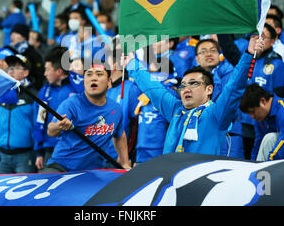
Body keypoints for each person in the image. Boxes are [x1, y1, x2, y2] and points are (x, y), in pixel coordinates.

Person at [124, 35, 264, 156]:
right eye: (183, 85)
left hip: (203, 182)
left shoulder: (217, 113)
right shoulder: (175, 110)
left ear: (209, 90)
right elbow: (152, 88)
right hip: (172, 180)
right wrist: (132, 64)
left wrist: (248, 54)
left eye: (193, 83)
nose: (186, 89)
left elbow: (234, 87)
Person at [43, 62, 130, 172]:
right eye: (89, 75)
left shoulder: (116, 109)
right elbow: (51, 131)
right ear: (84, 82)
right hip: (61, 167)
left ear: (109, 82)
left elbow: (120, 135)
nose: (93, 78)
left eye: (99, 74)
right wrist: (59, 126)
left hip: (93, 172)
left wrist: (125, 163)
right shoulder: (71, 104)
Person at [32, 46, 84, 171]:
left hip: (77, 152)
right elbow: (39, 121)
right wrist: (39, 152)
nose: (44, 74)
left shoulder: (81, 87)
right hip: (50, 153)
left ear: (59, 71)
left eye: (47, 70)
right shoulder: (44, 93)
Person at [0, 54, 38, 174]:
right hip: (1, 155)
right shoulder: (0, 94)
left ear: (26, 73)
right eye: (9, 67)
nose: (10, 71)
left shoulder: (33, 96)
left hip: (25, 155)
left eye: (15, 67)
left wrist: (36, 153)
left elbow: (36, 126)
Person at [239, 84, 284, 161]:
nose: (252, 116)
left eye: (252, 112)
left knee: (270, 138)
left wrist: (269, 165)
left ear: (263, 101)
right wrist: (252, 165)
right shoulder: (261, 118)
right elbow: (258, 145)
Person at [134, 57, 178, 165]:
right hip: (141, 152)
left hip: (161, 153)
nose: (149, 77)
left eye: (155, 73)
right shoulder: (144, 95)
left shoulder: (170, 94)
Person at [106, 45, 142, 163]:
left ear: (116, 65)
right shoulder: (107, 90)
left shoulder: (131, 89)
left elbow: (136, 127)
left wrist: (126, 155)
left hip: (120, 159)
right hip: (103, 155)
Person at [10, 23, 45, 90]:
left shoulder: (33, 54)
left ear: (24, 36)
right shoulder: (9, 51)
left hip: (28, 91)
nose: (12, 35)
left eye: (16, 33)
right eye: (12, 33)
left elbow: (39, 76)